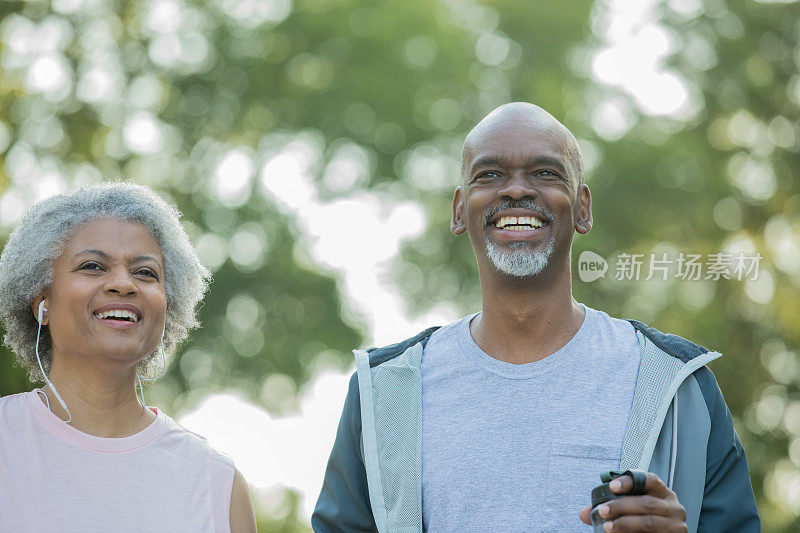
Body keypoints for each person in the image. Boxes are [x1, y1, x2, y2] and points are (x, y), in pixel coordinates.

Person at [312, 103, 760, 532]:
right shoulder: (386, 392)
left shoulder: (676, 385)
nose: (516, 190)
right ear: (458, 209)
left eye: (545, 173)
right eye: (490, 175)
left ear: (583, 208)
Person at [0, 182, 257, 532]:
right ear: (41, 302)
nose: (123, 283)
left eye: (145, 272)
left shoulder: (217, 482)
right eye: (92, 266)